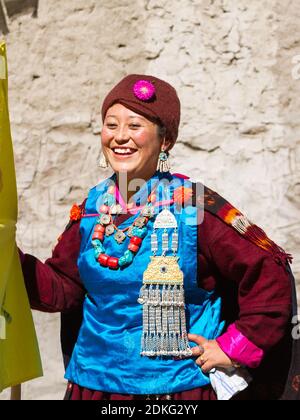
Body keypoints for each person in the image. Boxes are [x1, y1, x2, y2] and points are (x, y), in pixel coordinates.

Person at [19, 74, 298, 400]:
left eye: (134, 126)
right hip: (93, 386)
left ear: (164, 141)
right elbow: (63, 288)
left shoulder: (193, 206)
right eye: (111, 125)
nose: (120, 137)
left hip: (174, 391)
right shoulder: (92, 210)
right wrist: (10, 259)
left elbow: (268, 270)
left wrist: (234, 346)